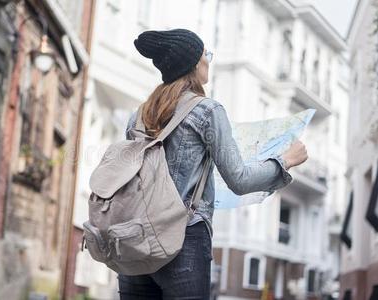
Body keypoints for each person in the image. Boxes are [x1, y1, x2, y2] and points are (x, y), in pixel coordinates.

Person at [118, 28, 308, 300]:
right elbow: (239, 179)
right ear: (194, 62)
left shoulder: (138, 116)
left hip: (134, 239)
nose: (209, 59)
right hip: (183, 239)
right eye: (206, 53)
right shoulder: (207, 110)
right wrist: (285, 161)